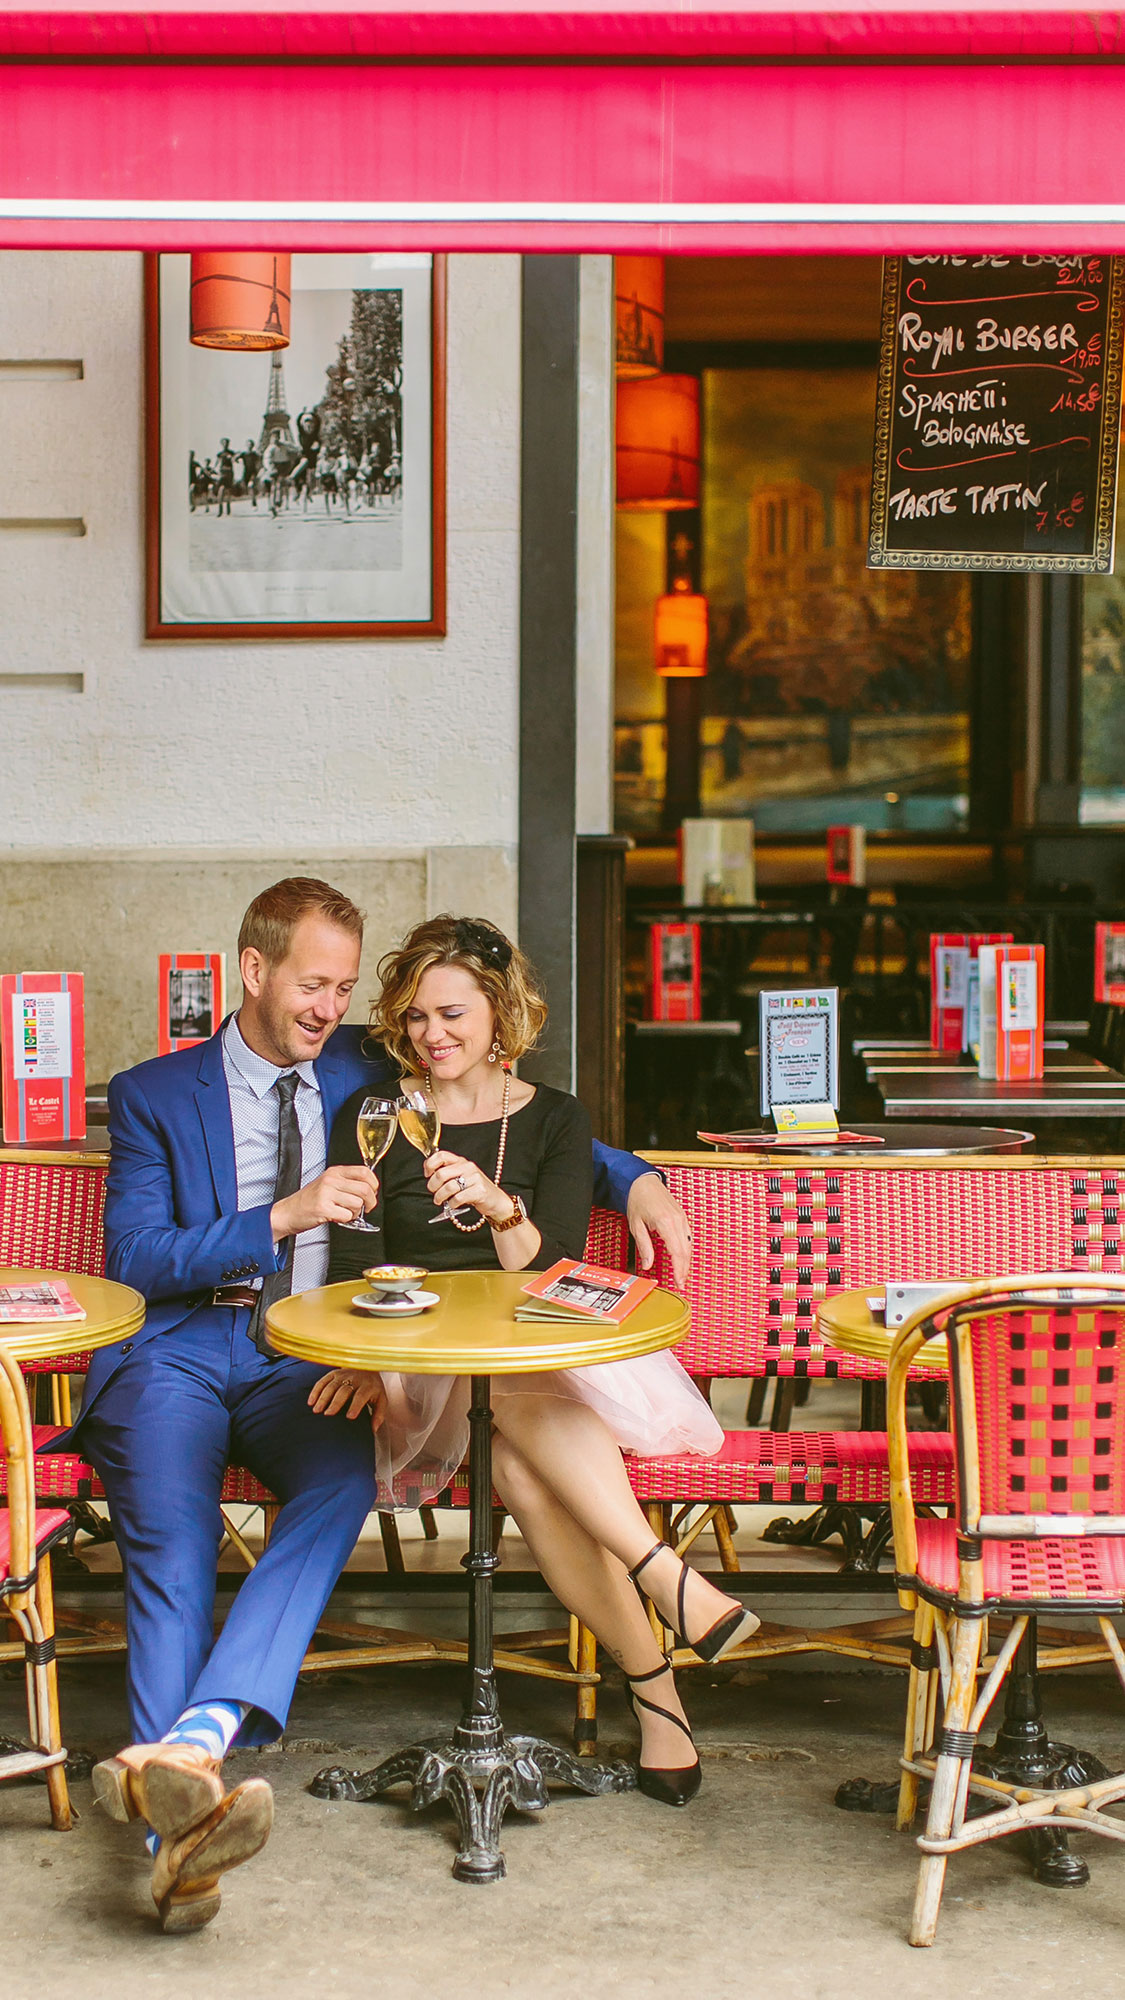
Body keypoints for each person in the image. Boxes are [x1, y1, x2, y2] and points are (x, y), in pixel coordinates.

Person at [80, 878, 694, 1932]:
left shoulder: (369, 1068)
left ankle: (192, 1745)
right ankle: (177, 1825)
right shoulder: (152, 1093)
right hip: (178, 1351)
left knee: (333, 1485)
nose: (330, 1006)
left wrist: (632, 1175)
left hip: (306, 1356)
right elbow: (136, 1259)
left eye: (344, 987)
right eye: (312, 984)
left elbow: (507, 1104)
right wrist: (284, 1211)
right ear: (254, 970)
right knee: (174, 1548)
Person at [319, 914, 760, 1811]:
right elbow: (355, 1259)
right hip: (417, 1360)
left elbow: (550, 1266)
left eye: (451, 1014)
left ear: (501, 1013)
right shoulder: (380, 1115)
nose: (431, 1036)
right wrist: (362, 1355)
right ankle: (659, 1576)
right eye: (413, 1018)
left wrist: (493, 1204)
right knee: (506, 1396)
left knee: (520, 1465)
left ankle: (655, 1689)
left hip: (532, 1350)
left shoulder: (556, 1118)